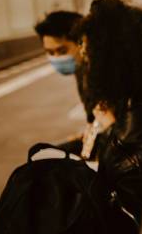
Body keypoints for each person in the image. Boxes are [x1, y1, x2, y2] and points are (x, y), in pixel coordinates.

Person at [74, 0, 142, 222]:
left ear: (111, 62)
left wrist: (110, 131)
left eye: (88, 56)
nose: (84, 64)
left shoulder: (128, 146)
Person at [35, 10, 97, 155]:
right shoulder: (81, 70)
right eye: (50, 53)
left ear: (82, 43)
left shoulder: (101, 73)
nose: (57, 58)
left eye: (62, 51)